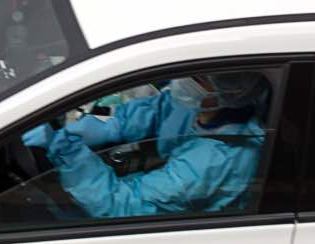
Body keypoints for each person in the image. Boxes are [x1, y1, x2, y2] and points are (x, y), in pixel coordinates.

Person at [22, 72, 270, 218]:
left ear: (225, 92)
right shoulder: (198, 106)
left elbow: (120, 204)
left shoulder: (216, 161)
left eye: (197, 78)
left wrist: (69, 153)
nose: (181, 81)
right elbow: (151, 112)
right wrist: (107, 125)